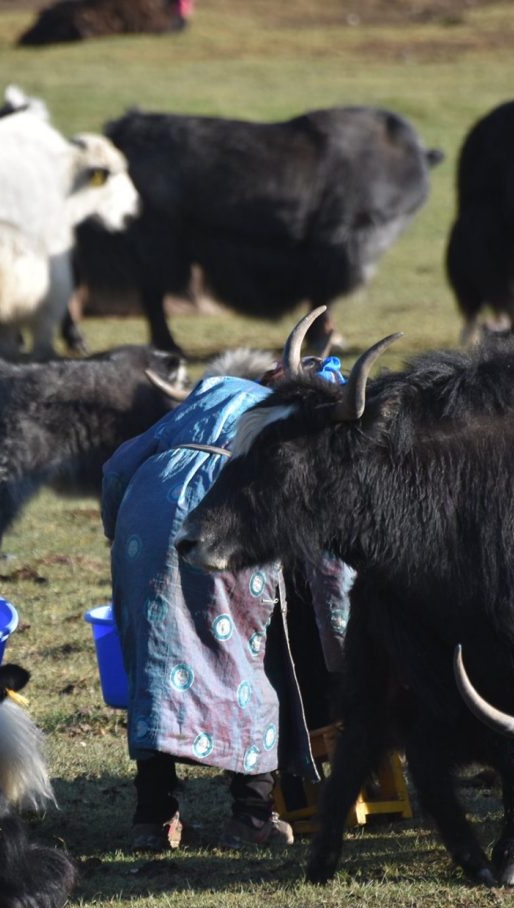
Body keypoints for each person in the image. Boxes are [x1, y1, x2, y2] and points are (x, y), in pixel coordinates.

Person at [99, 355, 352, 852]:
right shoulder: (307, 427)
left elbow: (117, 467)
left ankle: (153, 818)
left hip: (146, 512)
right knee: (249, 660)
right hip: (233, 514)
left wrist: (121, 530)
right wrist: (341, 644)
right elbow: (332, 560)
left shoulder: (215, 390)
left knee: (154, 666)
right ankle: (251, 816)